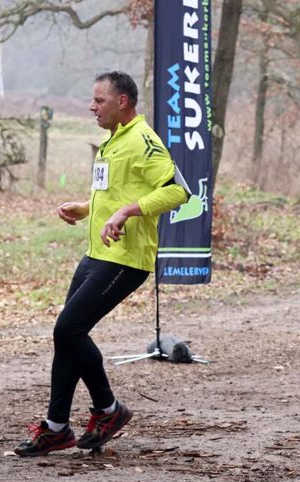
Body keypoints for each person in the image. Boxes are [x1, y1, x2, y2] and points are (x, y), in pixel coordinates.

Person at [14, 71, 189, 457]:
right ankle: (57, 428)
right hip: (98, 254)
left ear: (123, 101)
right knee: (67, 335)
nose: (92, 107)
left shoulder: (144, 141)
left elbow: (179, 190)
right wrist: (87, 208)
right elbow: (118, 192)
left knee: (69, 328)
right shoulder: (114, 140)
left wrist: (128, 211)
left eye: (99, 101)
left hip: (126, 258)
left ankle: (107, 410)